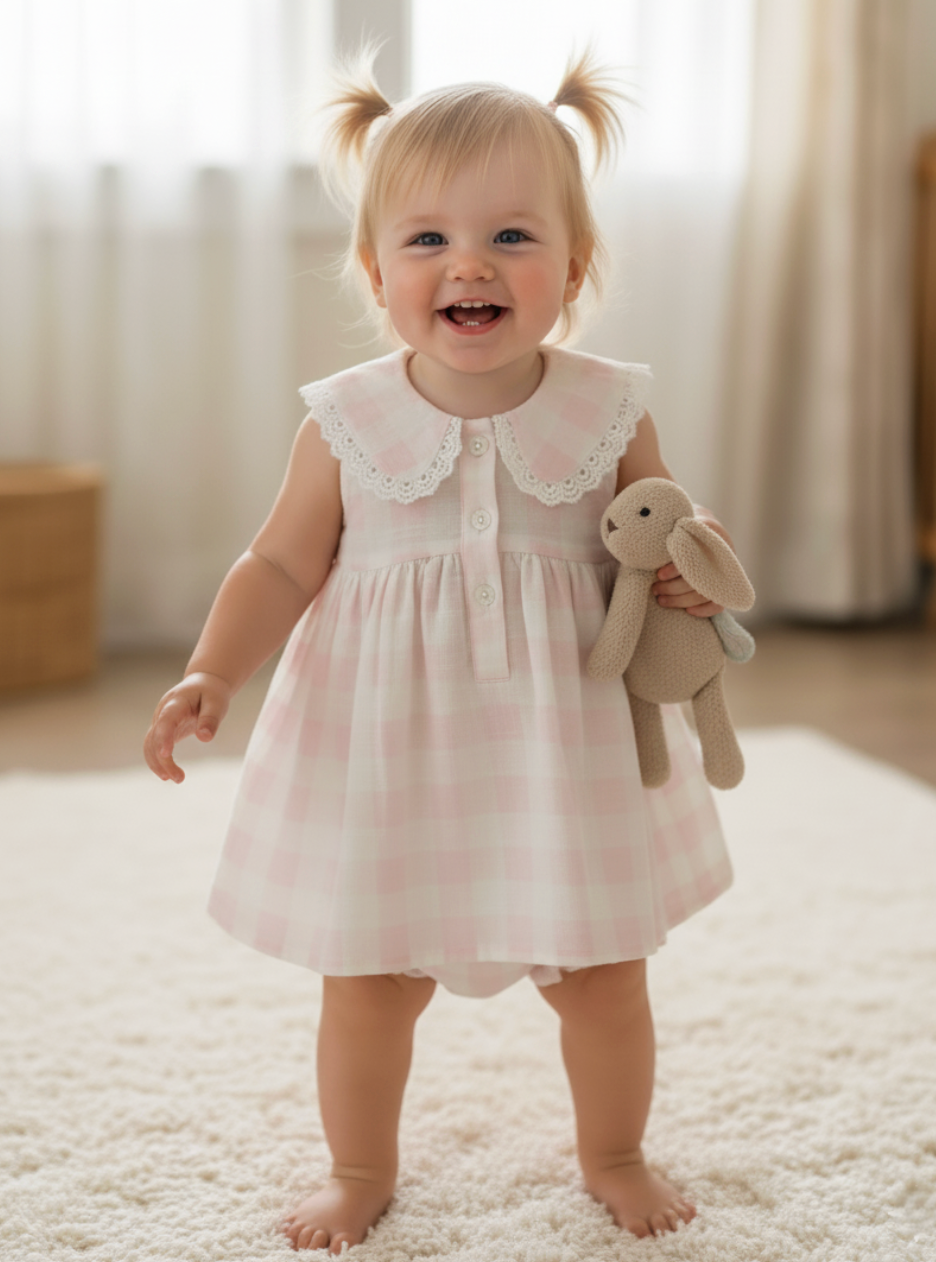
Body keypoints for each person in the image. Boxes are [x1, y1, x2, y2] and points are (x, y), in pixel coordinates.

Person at [144, 50, 738, 1253]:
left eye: (512, 235)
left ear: (575, 266)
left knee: (605, 973)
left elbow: (666, 527)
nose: (470, 264)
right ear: (377, 272)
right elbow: (278, 564)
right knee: (369, 980)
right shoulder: (346, 419)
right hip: (389, 752)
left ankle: (614, 1149)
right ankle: (360, 1165)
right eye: (428, 240)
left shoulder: (610, 406)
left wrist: (692, 566)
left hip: (564, 749)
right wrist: (213, 669)